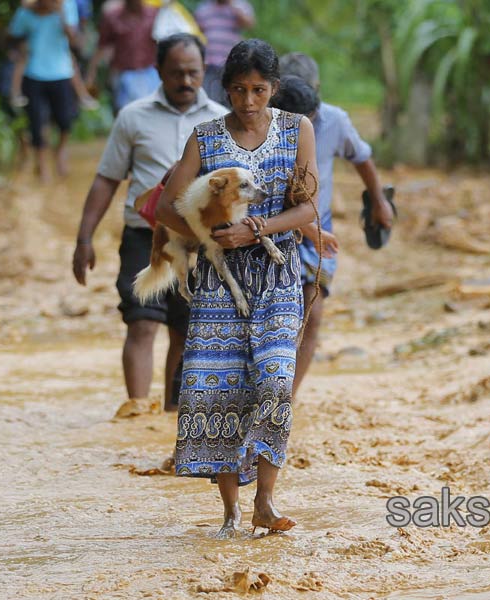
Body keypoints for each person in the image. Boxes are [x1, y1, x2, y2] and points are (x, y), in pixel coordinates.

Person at [156, 39, 319, 538]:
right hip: (218, 286)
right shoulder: (204, 138)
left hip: (277, 277)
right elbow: (166, 207)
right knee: (216, 392)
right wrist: (208, 230)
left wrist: (258, 228)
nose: (248, 102)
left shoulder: (298, 129)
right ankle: (230, 510)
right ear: (225, 88)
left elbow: (310, 209)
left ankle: (265, 501)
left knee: (274, 382)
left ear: (273, 89)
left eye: (259, 90)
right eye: (238, 90)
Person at [72, 34, 225, 416]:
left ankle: (173, 411)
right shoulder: (133, 116)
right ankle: (138, 410)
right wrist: (84, 237)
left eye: (193, 73)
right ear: (158, 71)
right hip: (145, 236)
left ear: (205, 71)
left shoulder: (223, 120)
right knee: (141, 321)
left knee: (186, 328)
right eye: (176, 73)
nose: (186, 81)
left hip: (201, 241)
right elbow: (107, 178)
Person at [278, 52, 395, 396]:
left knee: (312, 314)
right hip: (273, 229)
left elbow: (362, 159)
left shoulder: (334, 120)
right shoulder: (261, 125)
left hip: (316, 229)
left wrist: (378, 201)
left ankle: (287, 398)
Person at [7, 0, 83, 179]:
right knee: (37, 121)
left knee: (65, 120)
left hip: (61, 72)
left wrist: (61, 15)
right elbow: (12, 36)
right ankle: (41, 165)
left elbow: (74, 40)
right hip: (33, 73)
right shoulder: (26, 12)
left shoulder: (67, 6)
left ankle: (60, 151)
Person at [87, 0, 160, 115]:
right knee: (125, 115)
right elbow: (101, 47)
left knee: (151, 115)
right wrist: (91, 74)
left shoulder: (155, 14)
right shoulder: (112, 16)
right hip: (122, 74)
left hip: (149, 73)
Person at [193, 0, 255, 107]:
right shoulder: (204, 8)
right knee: (209, 99)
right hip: (208, 63)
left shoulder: (240, 6)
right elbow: (195, 31)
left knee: (231, 100)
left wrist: (232, 6)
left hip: (231, 64)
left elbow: (249, 23)